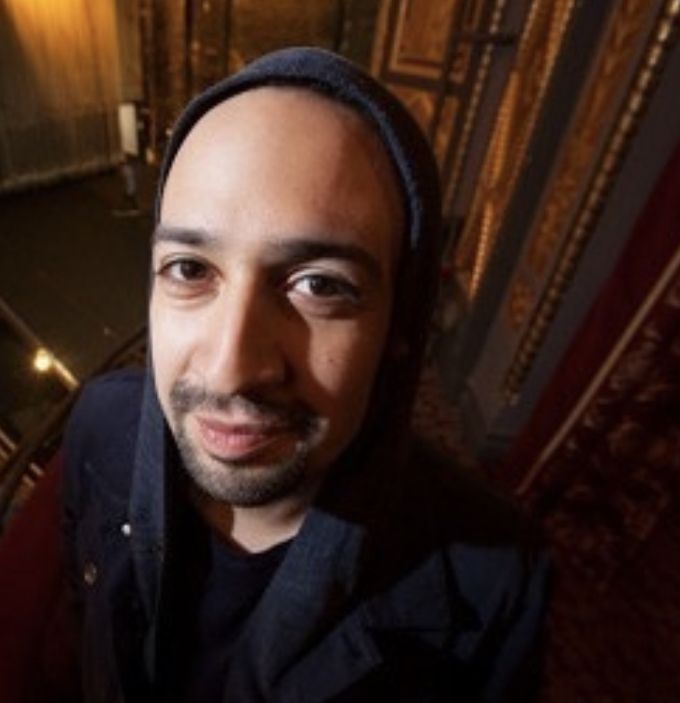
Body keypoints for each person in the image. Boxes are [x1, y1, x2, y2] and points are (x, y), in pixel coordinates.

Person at [61, 47, 549, 702]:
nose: (233, 367)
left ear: (402, 324)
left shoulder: (495, 576)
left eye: (319, 284)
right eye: (190, 269)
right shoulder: (97, 426)